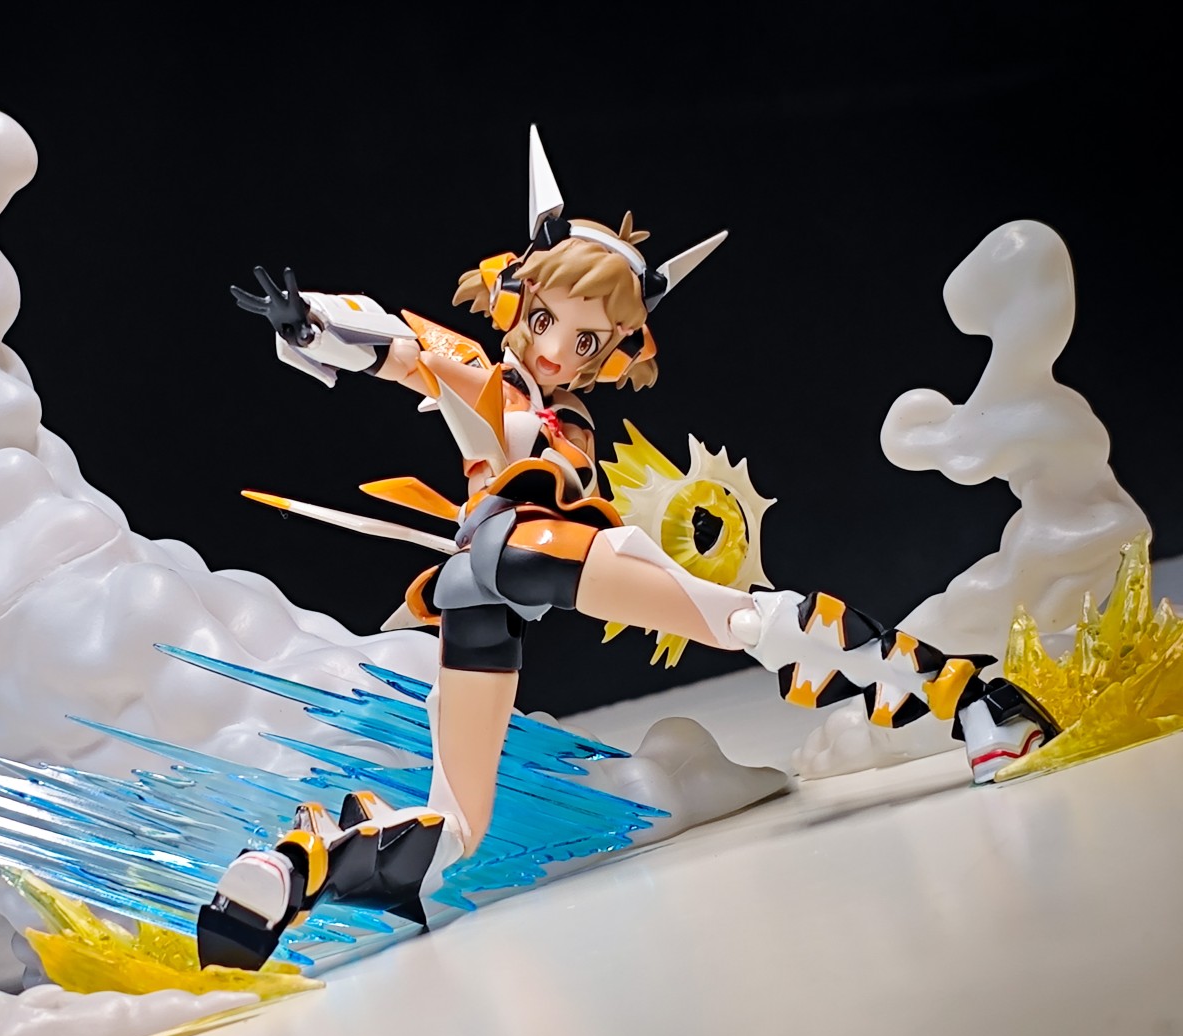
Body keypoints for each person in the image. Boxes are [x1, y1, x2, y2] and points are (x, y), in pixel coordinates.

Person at [195, 129, 1057, 971]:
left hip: (475, 589)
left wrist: (320, 329)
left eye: (586, 341)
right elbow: (405, 349)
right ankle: (979, 706)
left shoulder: (554, 404)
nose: (554, 349)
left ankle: (294, 870)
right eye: (545, 320)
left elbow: (407, 353)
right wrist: (311, 322)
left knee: (457, 823)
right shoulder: (487, 377)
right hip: (529, 545)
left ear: (613, 351)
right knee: (747, 622)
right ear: (517, 299)